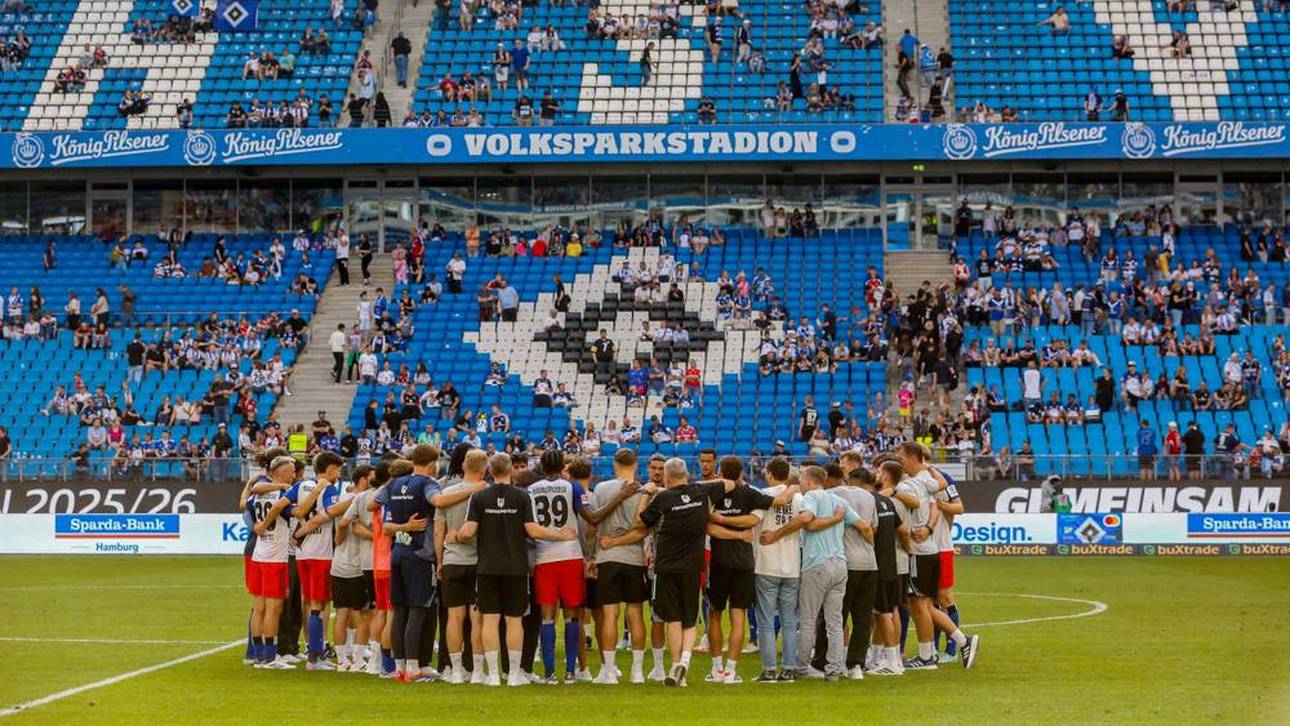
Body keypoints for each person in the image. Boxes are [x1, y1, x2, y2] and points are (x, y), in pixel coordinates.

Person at [613, 458, 742, 686]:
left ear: (667, 477)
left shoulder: (663, 498)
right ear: (687, 474)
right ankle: (685, 659)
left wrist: (647, 493)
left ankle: (675, 670)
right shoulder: (703, 492)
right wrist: (700, 486)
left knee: (672, 618)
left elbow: (639, 522)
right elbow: (730, 483)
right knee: (690, 619)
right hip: (693, 565)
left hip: (666, 566)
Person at [453, 453, 576, 686]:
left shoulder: (479, 497)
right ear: (510, 470)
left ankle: (492, 675)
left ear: (490, 470)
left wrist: (457, 536)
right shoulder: (522, 496)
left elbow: (467, 532)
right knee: (514, 620)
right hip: (515, 568)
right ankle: (515, 674)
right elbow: (533, 530)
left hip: (487, 567)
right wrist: (560, 534)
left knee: (489, 619)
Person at [703, 455, 796, 683]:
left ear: (720, 472)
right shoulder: (751, 493)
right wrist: (794, 487)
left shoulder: (713, 493)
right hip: (744, 562)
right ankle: (731, 671)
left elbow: (710, 528)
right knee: (739, 616)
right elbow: (778, 503)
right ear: (742, 472)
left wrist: (721, 519)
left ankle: (716, 669)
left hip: (719, 561)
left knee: (714, 614)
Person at [891, 443, 979, 670]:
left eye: (901, 459)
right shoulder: (925, 480)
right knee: (924, 603)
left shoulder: (930, 479)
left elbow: (957, 507)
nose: (899, 462)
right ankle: (933, 651)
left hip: (936, 547)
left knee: (940, 599)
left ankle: (949, 648)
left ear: (918, 459)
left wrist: (931, 523)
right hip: (929, 545)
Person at [372, 445, 443, 682]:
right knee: (417, 609)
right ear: (432, 462)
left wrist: (402, 525)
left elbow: (376, 506)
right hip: (420, 554)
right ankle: (414, 667)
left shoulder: (394, 484)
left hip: (398, 553)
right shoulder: (427, 484)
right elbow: (438, 501)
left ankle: (400, 666)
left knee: (399, 610)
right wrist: (473, 488)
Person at [586, 448, 649, 684]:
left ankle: (609, 671)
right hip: (633, 557)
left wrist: (591, 555)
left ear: (614, 464)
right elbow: (643, 529)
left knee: (610, 614)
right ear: (636, 464)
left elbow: (592, 525)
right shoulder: (642, 491)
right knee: (635, 613)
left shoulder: (601, 489)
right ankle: (637, 672)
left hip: (607, 556)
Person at [527, 450, 591, 683]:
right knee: (572, 616)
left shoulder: (531, 490)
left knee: (547, 617)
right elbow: (589, 517)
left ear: (542, 465)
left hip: (544, 557)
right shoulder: (571, 487)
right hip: (570, 554)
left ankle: (549, 672)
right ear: (562, 464)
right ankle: (571, 671)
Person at [434, 449, 490, 683]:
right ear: (483, 469)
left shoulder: (446, 492)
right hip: (479, 561)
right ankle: (476, 671)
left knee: (453, 617)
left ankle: (455, 670)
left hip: (452, 560)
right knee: (477, 618)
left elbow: (439, 532)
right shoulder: (487, 493)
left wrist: (439, 561)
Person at [750, 457, 807, 682]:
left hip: (766, 563)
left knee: (765, 619)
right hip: (792, 564)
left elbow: (754, 522)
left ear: (769, 473)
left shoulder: (764, 495)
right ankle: (789, 668)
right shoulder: (800, 498)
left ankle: (769, 669)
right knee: (790, 620)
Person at [247, 455, 299, 669]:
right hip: (275, 558)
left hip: (259, 554)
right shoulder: (282, 494)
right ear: (280, 472)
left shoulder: (260, 493)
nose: (293, 474)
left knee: (258, 608)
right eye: (291, 471)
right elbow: (292, 512)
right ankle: (270, 657)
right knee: (273, 608)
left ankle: (259, 655)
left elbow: (248, 501)